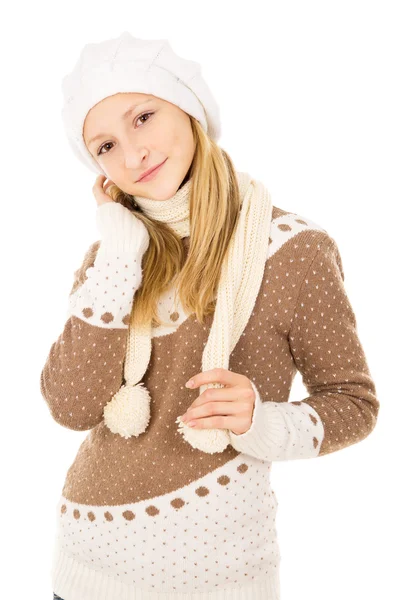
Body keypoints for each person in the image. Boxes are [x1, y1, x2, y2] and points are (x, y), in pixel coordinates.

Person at [41, 31, 379, 600]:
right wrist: (120, 256)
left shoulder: (292, 249)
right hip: (85, 572)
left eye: (143, 117)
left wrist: (259, 422)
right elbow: (71, 406)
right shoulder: (111, 259)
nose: (132, 154)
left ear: (190, 109)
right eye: (104, 146)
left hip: (220, 578)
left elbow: (354, 403)